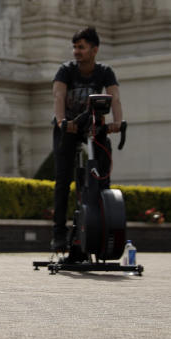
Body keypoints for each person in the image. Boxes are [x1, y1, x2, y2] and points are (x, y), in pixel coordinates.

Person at [50, 26, 123, 252]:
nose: (76, 51)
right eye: (75, 47)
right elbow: (58, 95)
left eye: (81, 47)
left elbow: (115, 97)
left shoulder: (105, 72)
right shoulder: (66, 71)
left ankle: (103, 228)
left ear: (94, 49)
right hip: (69, 127)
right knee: (63, 181)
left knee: (102, 178)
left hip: (94, 126)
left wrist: (117, 122)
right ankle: (59, 235)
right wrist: (62, 121)